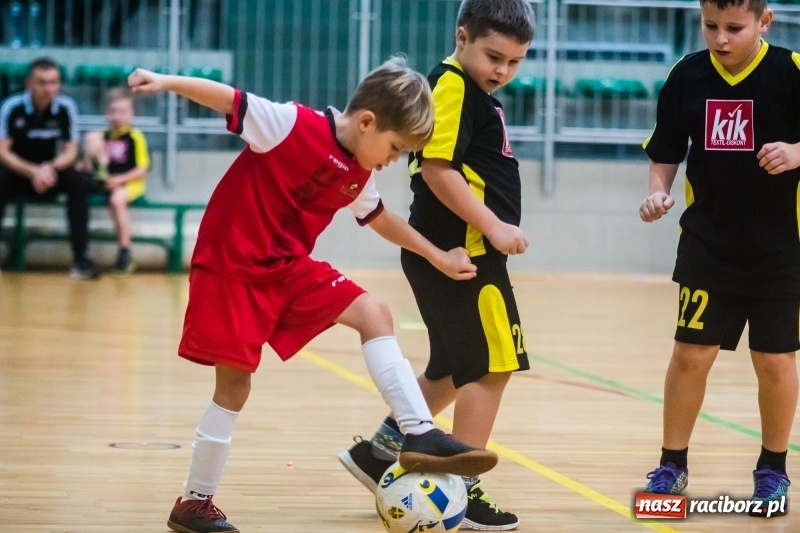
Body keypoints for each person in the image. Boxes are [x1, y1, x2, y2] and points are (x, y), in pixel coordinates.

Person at [128, 56, 501, 533]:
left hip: (286, 269)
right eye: (394, 148)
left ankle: (420, 433)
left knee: (374, 311)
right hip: (231, 268)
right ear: (367, 122)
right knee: (234, 388)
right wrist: (163, 81)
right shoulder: (288, 124)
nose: (390, 162)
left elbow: (381, 218)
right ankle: (193, 503)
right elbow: (226, 97)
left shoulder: (359, 171)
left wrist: (437, 256)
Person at [338, 1, 533, 530]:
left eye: (515, 62)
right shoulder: (450, 85)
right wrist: (492, 226)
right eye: (494, 56)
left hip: (455, 253)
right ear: (462, 36)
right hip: (461, 254)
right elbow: (438, 168)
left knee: (451, 367)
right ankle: (462, 490)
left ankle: (379, 453)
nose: (502, 71)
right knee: (492, 365)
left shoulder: (477, 93)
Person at [639, 0, 799, 517]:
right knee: (691, 354)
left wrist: (798, 152)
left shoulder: (790, 72)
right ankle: (671, 464)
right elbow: (666, 153)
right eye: (711, 26)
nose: (721, 38)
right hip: (708, 245)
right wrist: (657, 192)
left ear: (764, 21)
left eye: (735, 28)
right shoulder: (686, 75)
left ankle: (773, 470)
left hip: (782, 249)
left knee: (775, 361)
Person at [0, 57, 99, 279]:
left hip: (50, 174)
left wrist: (48, 169)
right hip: (19, 173)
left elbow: (71, 152)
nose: (49, 88)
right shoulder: (11, 106)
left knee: (77, 181)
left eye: (53, 82)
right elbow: (3, 151)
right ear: (29, 84)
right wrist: (33, 171)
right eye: (42, 82)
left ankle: (81, 260)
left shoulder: (66, 107)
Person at [77, 88, 149, 275]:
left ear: (132, 114)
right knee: (92, 138)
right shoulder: (102, 136)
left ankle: (125, 252)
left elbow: (141, 170)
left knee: (117, 200)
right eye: (113, 111)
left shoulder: (135, 137)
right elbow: (84, 165)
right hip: (106, 181)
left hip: (129, 183)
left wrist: (118, 180)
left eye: (122, 112)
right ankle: (81, 253)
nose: (117, 116)